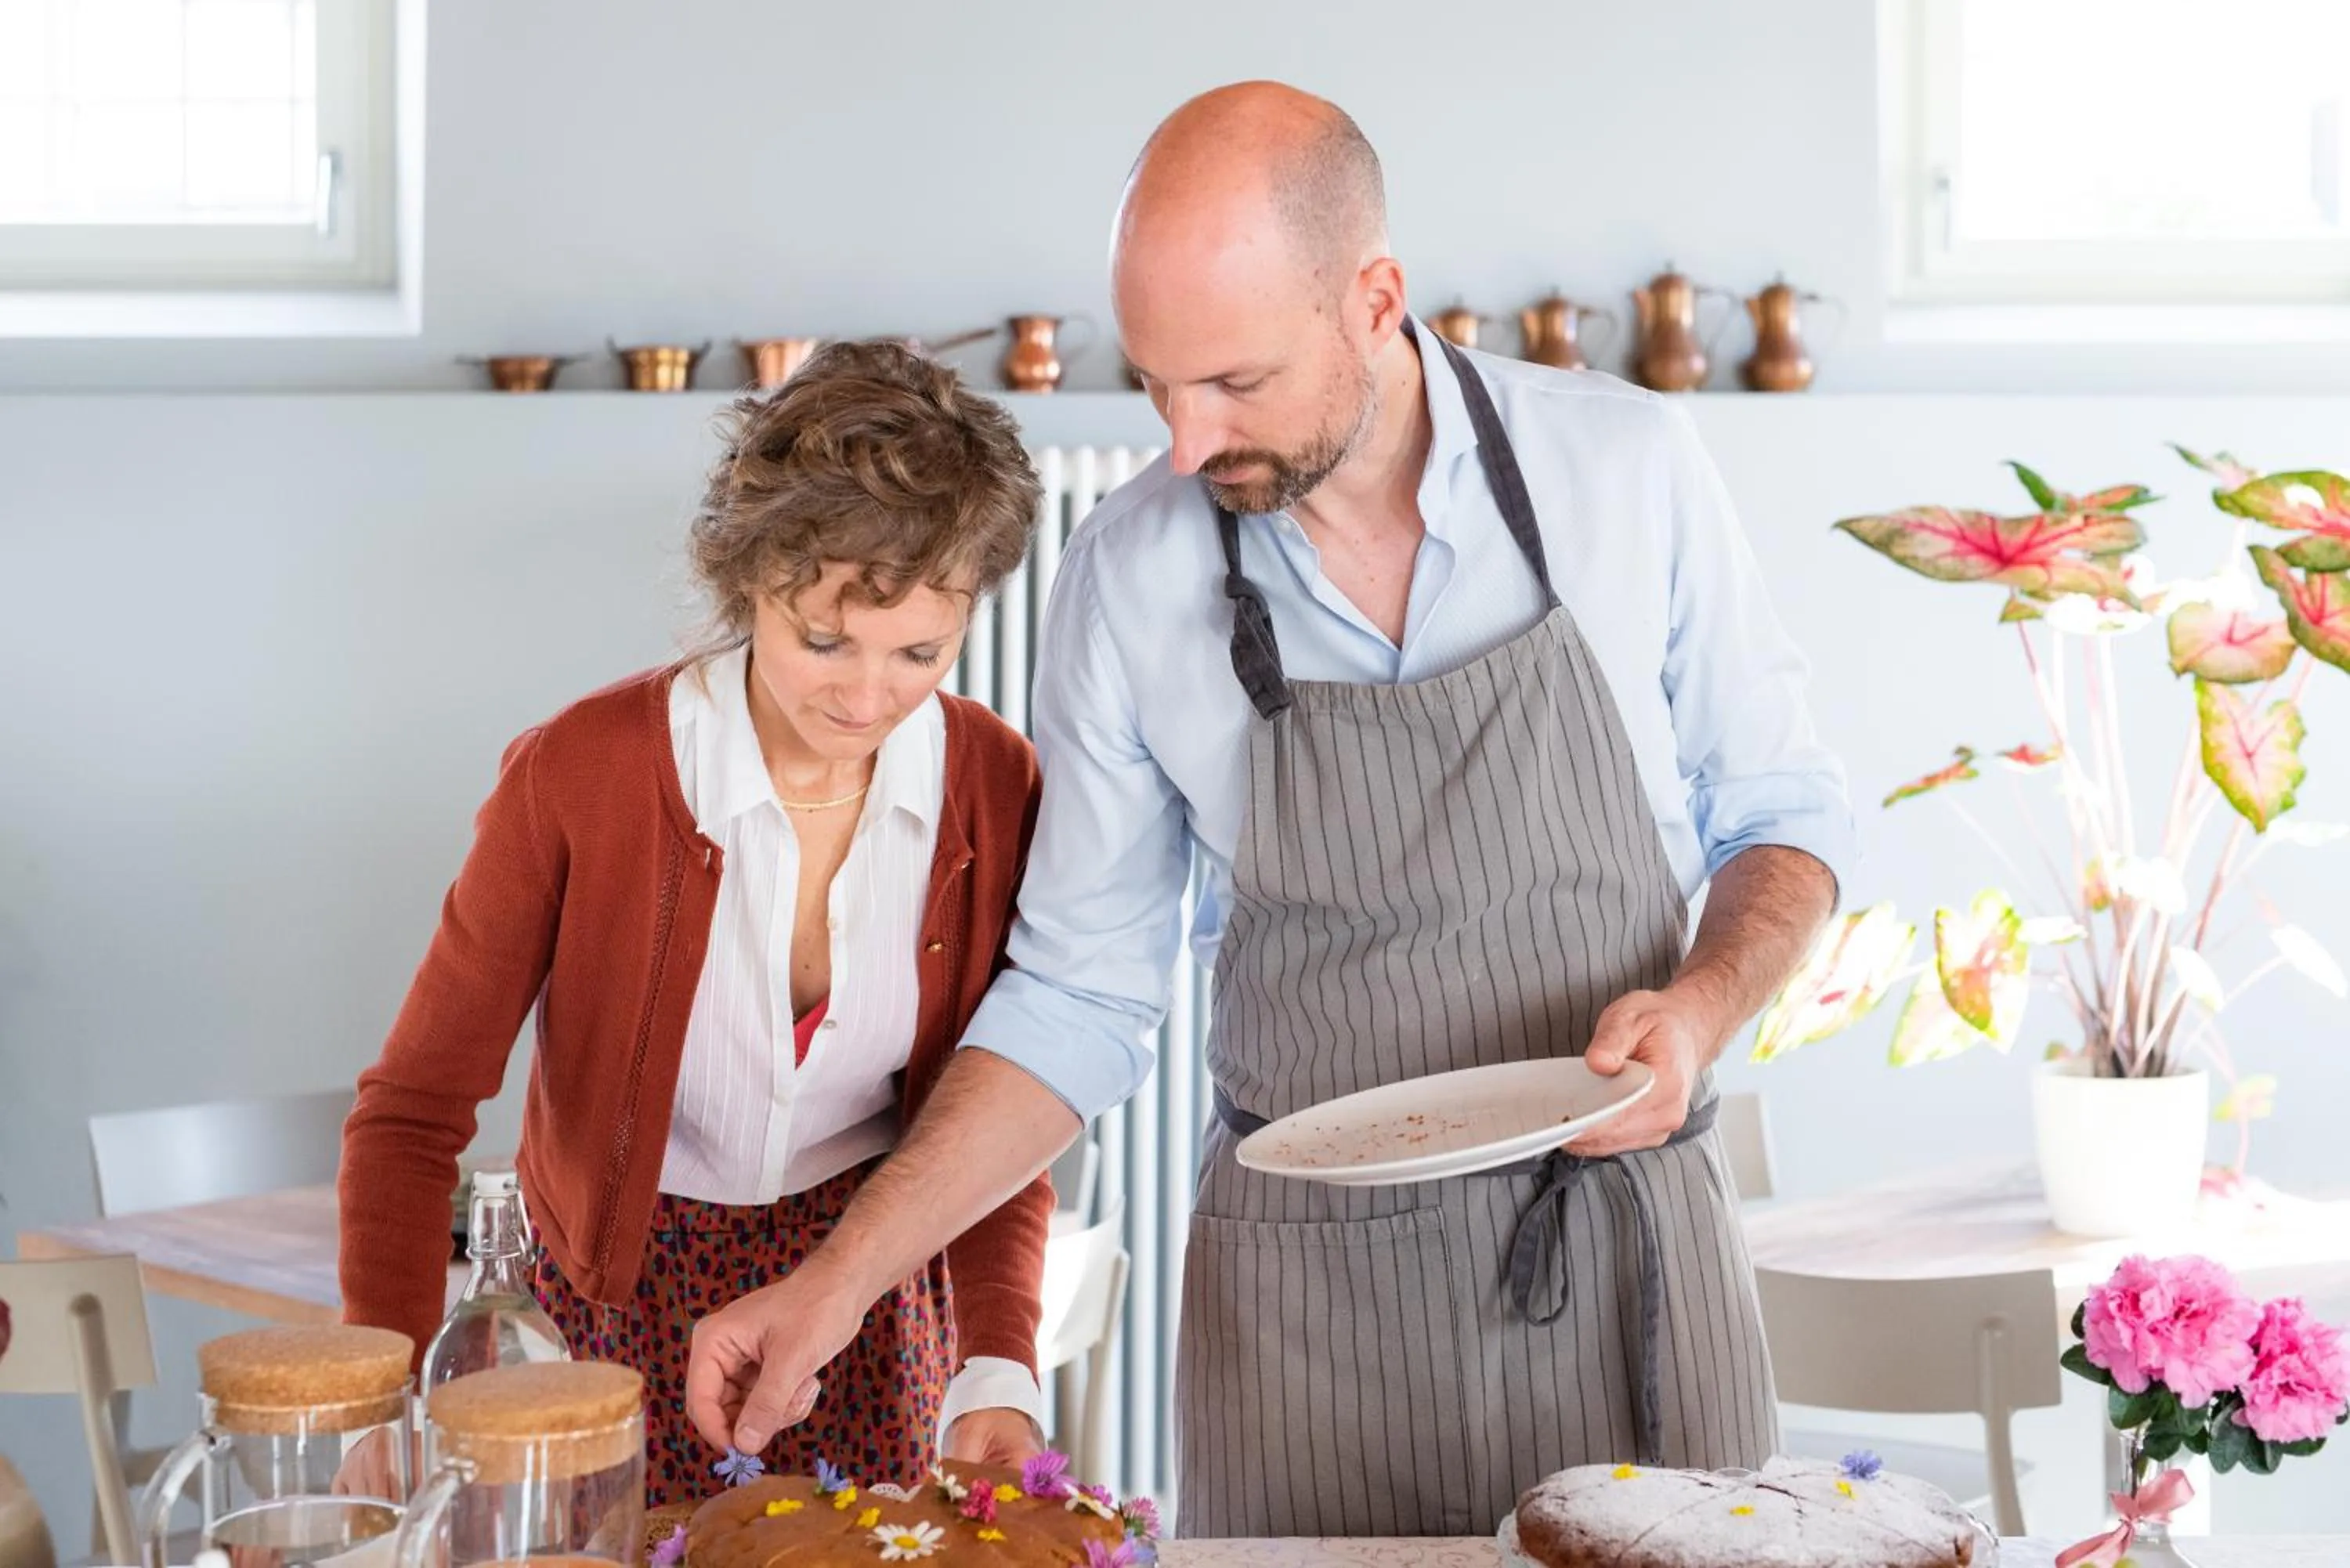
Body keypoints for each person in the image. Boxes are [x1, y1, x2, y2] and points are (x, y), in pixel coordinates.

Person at [685, 83, 1856, 1536]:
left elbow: (1783, 814)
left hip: (1623, 1255)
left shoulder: (1624, 471)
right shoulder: (1128, 575)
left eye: (1234, 382)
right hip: (1305, 1312)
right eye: (1157, 385)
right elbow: (1078, 994)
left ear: (1376, 300)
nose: (1187, 443)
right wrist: (834, 1286)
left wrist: (1701, 1006)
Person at [338, 340, 1056, 1504]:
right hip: (616, 1316)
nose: (866, 697)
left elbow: (995, 1114)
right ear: (749, 580)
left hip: (867, 1307)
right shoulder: (582, 775)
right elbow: (412, 1115)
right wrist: (386, 1386)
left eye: (920, 652)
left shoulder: (990, 782)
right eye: (824, 639)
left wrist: (997, 1364)